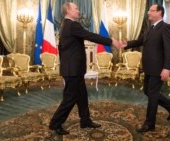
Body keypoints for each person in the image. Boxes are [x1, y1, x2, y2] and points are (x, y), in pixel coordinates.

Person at [49, 2, 119, 135]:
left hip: (73, 69)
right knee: (70, 98)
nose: (78, 11)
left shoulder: (65, 25)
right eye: (75, 9)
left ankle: (85, 120)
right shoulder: (72, 25)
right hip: (73, 70)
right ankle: (55, 123)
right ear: (68, 11)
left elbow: (62, 48)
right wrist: (111, 41)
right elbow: (90, 36)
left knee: (82, 96)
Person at [119, 4, 170, 133]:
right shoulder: (149, 28)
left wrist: (167, 68)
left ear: (159, 13)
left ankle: (149, 124)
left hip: (158, 68)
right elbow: (140, 41)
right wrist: (126, 44)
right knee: (148, 92)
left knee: (152, 96)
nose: (148, 13)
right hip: (148, 67)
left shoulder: (166, 28)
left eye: (151, 11)